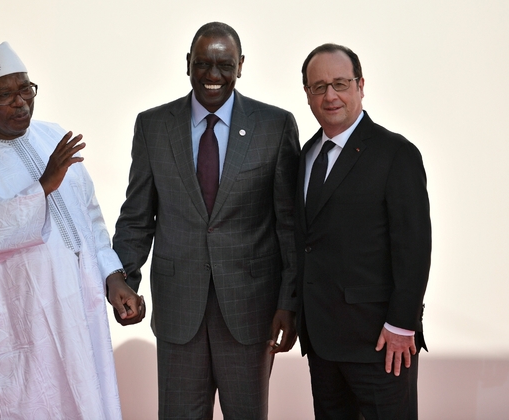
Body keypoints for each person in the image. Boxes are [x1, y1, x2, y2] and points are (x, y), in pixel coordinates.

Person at [0, 42, 144, 420]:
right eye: (6, 94)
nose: (21, 102)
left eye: (26, 89)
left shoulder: (52, 138)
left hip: (80, 310)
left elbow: (89, 217)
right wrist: (42, 186)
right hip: (21, 327)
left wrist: (112, 276)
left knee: (89, 403)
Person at [112, 22, 300, 419]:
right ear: (188, 64)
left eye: (224, 65)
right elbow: (137, 217)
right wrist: (124, 280)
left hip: (250, 312)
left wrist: (289, 301)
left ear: (241, 65)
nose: (213, 75)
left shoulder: (275, 126)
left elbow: (289, 226)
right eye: (202, 64)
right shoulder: (153, 126)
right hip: (179, 312)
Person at [295, 43, 431, 419]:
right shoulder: (305, 156)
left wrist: (403, 324)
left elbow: (414, 246)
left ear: (360, 85)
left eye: (340, 83)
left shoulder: (395, 153)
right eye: (319, 86)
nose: (330, 95)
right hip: (321, 343)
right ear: (307, 94)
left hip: (380, 342)